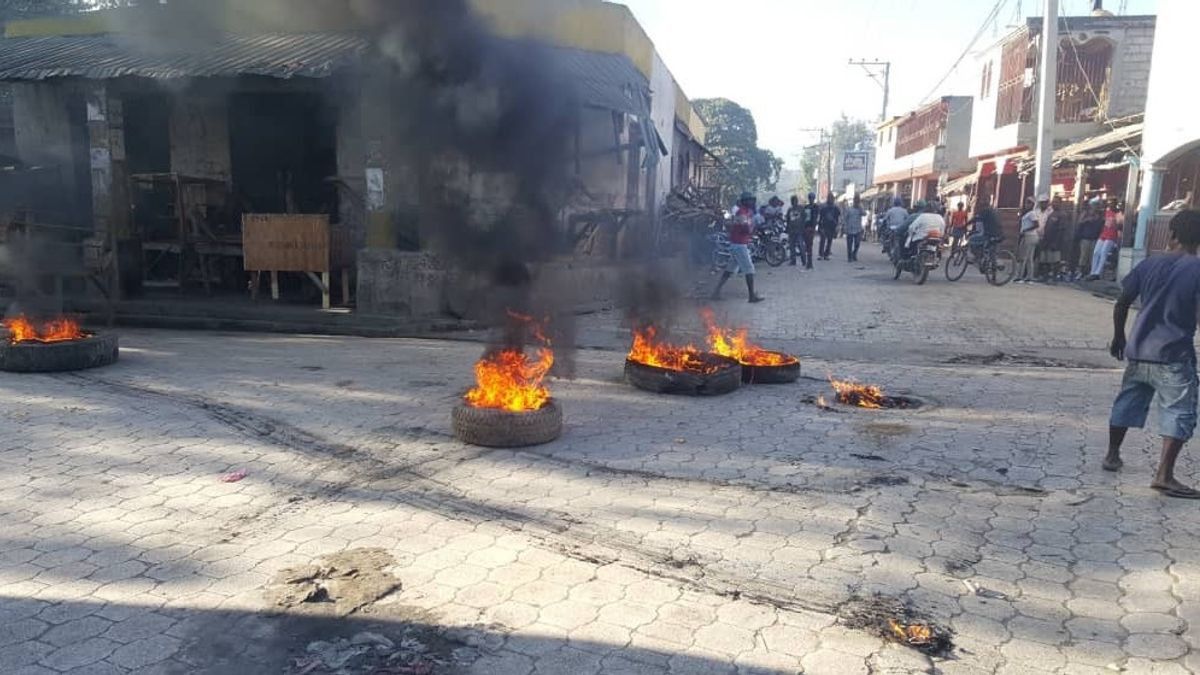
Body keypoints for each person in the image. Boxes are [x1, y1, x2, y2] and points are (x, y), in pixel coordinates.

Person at [1104, 209, 1200, 499]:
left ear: (1172, 234)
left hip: (1138, 350)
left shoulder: (1149, 263)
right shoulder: (1197, 269)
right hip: (1174, 354)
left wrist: (1119, 336)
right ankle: (1164, 475)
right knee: (1179, 411)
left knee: (1127, 401)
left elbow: (1122, 303)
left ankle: (1112, 455)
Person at [711, 192, 765, 303]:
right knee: (749, 269)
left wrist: (751, 226)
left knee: (729, 270)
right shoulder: (742, 213)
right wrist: (753, 226)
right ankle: (751, 296)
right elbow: (746, 229)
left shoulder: (746, 212)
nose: (752, 202)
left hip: (737, 244)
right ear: (745, 201)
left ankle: (716, 292)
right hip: (739, 245)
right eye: (750, 200)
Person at [1090, 199, 1123, 280]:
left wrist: (1115, 223)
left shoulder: (1117, 214)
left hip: (1111, 235)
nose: (1110, 205)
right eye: (1109, 204)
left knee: (1103, 252)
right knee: (1096, 252)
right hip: (1103, 234)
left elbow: (1119, 227)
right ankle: (1093, 271)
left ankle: (1097, 273)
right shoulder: (1106, 212)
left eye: (1112, 204)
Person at [1037, 196, 1067, 282]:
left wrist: (1056, 243)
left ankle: (1054, 278)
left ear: (1060, 203)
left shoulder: (1062, 215)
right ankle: (1045, 277)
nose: (1054, 204)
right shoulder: (1051, 214)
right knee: (1045, 260)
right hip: (1047, 240)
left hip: (1055, 241)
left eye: (1056, 202)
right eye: (1053, 202)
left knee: (1055, 261)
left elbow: (1061, 230)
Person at [1073, 203, 1104, 281]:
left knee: (1092, 256)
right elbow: (1079, 223)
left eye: (1094, 209)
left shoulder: (1099, 218)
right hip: (1085, 239)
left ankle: (1090, 272)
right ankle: (1080, 272)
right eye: (1091, 209)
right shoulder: (1085, 216)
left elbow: (1100, 227)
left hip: (1094, 239)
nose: (1093, 211)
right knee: (1083, 256)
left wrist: (1097, 219)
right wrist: (1086, 219)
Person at [1015, 196, 1041, 283]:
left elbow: (1036, 225)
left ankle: (1020, 276)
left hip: (1029, 236)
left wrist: (1025, 230)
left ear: (1032, 204)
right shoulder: (1027, 213)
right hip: (1030, 236)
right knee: (1029, 258)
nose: (1027, 204)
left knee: (1024, 257)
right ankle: (1029, 277)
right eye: (1026, 202)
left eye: (1029, 202)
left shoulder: (1032, 214)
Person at [842, 195, 866, 263]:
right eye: (856, 201)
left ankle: (854, 254)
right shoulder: (849, 209)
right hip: (850, 229)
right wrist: (844, 226)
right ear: (854, 201)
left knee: (857, 243)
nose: (857, 202)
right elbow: (845, 218)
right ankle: (849, 257)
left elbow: (864, 214)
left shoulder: (860, 209)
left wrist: (861, 208)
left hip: (858, 229)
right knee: (849, 244)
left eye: (858, 201)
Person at [817, 193, 841, 261]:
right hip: (824, 226)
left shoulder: (835, 208)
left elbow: (838, 217)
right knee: (823, 240)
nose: (830, 200)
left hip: (831, 226)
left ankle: (826, 254)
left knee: (829, 241)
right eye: (830, 198)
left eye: (831, 198)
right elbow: (820, 217)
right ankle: (821, 254)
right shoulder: (823, 207)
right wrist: (819, 226)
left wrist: (837, 226)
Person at [801, 192, 820, 269]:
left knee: (809, 245)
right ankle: (808, 262)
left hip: (811, 228)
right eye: (810, 198)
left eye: (812, 198)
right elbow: (803, 217)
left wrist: (814, 227)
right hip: (805, 227)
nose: (811, 199)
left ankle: (809, 262)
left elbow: (816, 217)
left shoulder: (816, 207)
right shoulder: (806, 207)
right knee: (807, 245)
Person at [786, 195, 806, 266]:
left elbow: (804, 218)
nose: (794, 202)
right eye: (793, 201)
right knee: (792, 246)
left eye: (795, 200)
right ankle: (793, 261)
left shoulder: (801, 208)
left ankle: (804, 261)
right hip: (791, 231)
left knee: (801, 246)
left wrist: (803, 228)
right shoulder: (789, 210)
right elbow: (788, 220)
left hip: (799, 230)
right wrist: (787, 228)